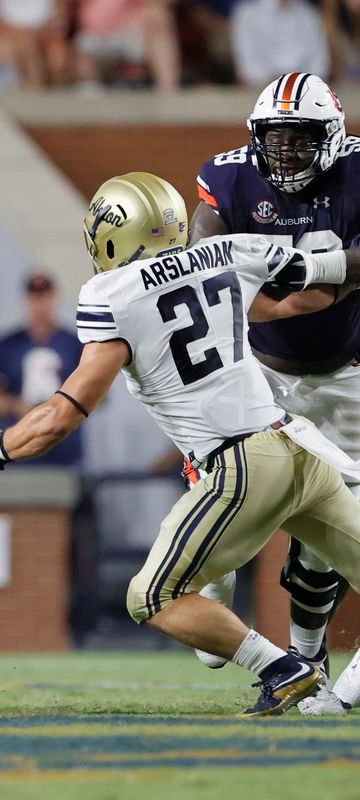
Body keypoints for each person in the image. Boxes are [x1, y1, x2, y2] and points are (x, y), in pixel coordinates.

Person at [0, 171, 360, 717]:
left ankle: (282, 668)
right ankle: (272, 643)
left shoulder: (113, 294)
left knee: (150, 596)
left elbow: (65, 412)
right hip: (299, 447)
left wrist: (1, 445)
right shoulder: (225, 253)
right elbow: (304, 297)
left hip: (239, 463)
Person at [191, 72, 360, 714]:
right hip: (259, 369)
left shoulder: (356, 172)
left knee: (328, 532)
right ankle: (211, 575)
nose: (284, 153)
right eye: (275, 140)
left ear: (333, 138)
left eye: (300, 140)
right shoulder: (229, 178)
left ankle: (307, 652)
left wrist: (319, 270)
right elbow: (205, 274)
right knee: (226, 473)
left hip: (345, 373)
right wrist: (307, 294)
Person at [0, 271, 84, 468]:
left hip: (65, 450)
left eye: (45, 296)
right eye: (35, 297)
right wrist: (16, 405)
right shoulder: (6, 345)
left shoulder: (74, 344)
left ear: (55, 297)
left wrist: (61, 409)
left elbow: (97, 394)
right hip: (19, 448)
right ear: (25, 299)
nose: (40, 304)